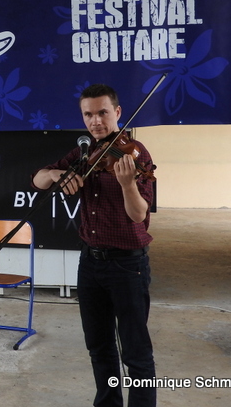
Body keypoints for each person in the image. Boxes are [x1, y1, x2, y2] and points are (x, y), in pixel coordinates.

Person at [31, 84, 156, 407]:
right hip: (90, 263)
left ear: (117, 113)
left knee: (135, 352)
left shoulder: (134, 153)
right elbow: (38, 179)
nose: (95, 121)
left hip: (128, 265)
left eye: (102, 113)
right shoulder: (85, 153)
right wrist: (59, 175)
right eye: (88, 114)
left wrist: (128, 184)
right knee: (99, 347)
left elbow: (139, 215)